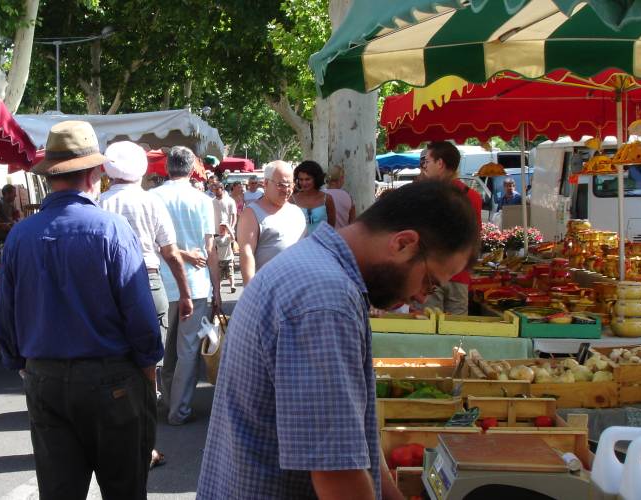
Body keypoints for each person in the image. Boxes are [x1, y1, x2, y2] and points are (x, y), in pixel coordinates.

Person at [197, 181, 479, 500]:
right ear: (403, 243)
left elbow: (353, 442)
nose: (419, 297)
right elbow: (339, 477)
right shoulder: (326, 300)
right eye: (429, 283)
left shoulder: (318, 267)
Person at [0, 121, 162, 499]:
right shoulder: (111, 229)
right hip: (110, 379)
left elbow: (5, 314)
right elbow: (139, 313)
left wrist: (24, 365)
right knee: (124, 489)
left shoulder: (21, 234)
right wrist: (148, 368)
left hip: (45, 377)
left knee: (59, 491)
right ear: (94, 174)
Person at [99, 141, 193, 469]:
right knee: (149, 368)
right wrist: (184, 293)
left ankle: (115, 440)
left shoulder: (98, 203)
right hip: (147, 282)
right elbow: (170, 253)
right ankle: (146, 446)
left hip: (107, 289)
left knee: (112, 366)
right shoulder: (149, 202)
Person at [151, 146, 221, 426]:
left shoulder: (152, 197)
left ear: (167, 167)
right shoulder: (202, 200)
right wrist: (216, 289)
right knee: (188, 350)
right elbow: (209, 249)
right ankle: (178, 408)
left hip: (160, 282)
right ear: (192, 168)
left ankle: (171, 401)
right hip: (195, 284)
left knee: (166, 350)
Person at [419, 141, 483, 315]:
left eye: (428, 162)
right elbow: (475, 239)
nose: (425, 166)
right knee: (456, 333)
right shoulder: (474, 197)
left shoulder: (425, 196)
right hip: (460, 275)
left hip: (430, 276)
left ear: (440, 164)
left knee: (429, 332)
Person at [237, 161, 306, 285]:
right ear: (266, 183)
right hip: (267, 291)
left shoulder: (297, 212)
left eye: (290, 184)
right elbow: (246, 254)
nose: (286, 189)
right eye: (281, 185)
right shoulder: (251, 214)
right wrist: (251, 294)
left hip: (296, 288)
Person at [291, 160, 337, 234]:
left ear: (316, 179)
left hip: (321, 243)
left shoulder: (327, 199)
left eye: (307, 179)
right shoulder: (291, 200)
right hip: (300, 243)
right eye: (301, 179)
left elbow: (331, 226)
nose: (304, 183)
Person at [323, 164, 357, 228]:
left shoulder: (320, 195)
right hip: (343, 236)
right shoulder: (348, 196)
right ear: (341, 178)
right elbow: (352, 221)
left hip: (324, 236)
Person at [214, 223, 237, 294]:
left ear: (227, 230)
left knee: (230, 274)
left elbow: (233, 237)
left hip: (229, 259)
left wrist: (228, 227)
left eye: (223, 229)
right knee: (219, 276)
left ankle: (232, 286)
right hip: (220, 260)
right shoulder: (216, 239)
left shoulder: (228, 237)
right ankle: (219, 288)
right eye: (220, 229)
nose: (221, 230)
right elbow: (213, 248)